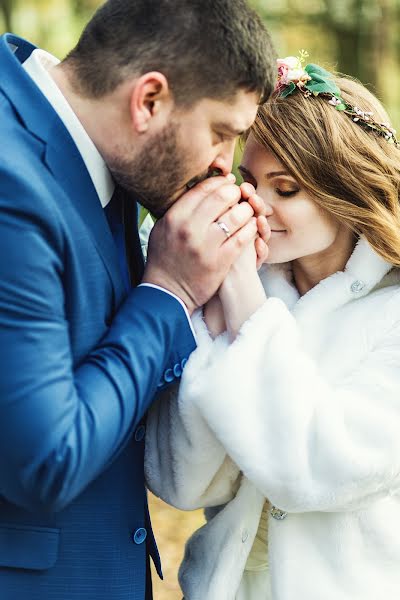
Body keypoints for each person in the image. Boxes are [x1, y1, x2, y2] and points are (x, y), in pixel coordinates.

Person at [0, 1, 276, 599]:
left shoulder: (108, 156)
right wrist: (170, 291)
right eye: (221, 134)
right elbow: (45, 460)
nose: (222, 166)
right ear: (149, 100)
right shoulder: (11, 183)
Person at [145, 54, 400, 600]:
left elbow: (319, 469)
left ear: (346, 192)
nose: (256, 206)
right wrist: (221, 317)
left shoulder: (391, 314)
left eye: (285, 190)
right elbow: (179, 481)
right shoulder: (233, 288)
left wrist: (247, 310)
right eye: (247, 181)